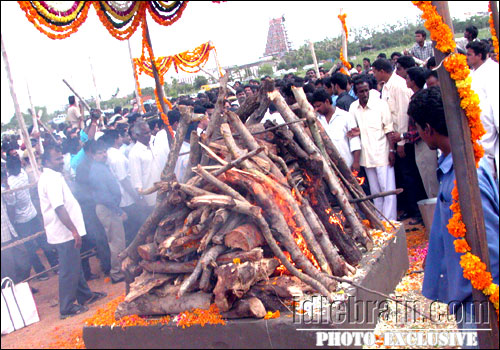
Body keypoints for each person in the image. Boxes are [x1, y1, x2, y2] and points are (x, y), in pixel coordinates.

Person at [408, 86, 499, 339]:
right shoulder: (455, 167)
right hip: (466, 291)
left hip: (477, 297)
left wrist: (489, 297)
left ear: (428, 129)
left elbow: (490, 245)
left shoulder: (468, 177)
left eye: (417, 127)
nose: (417, 133)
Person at [38, 144, 106, 319]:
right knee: (68, 269)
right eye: (57, 159)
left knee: (75, 266)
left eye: (61, 158)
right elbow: (59, 207)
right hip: (64, 232)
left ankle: (85, 295)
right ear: (46, 161)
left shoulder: (53, 176)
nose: (61, 161)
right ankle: (66, 307)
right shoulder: (51, 179)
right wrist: (73, 231)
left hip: (65, 231)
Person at [372, 58, 425, 222]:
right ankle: (410, 209)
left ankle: (418, 211)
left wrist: (401, 142)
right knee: (403, 176)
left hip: (405, 139)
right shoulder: (386, 87)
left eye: (374, 71)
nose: (373, 75)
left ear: (381, 71)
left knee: (411, 176)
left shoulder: (398, 85)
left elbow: (402, 115)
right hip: (395, 138)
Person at [349, 75, 397, 220]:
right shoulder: (353, 108)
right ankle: (381, 221)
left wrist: (391, 150)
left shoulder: (380, 105)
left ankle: (391, 221)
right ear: (356, 93)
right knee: (376, 192)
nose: (364, 94)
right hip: (366, 157)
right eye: (361, 92)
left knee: (387, 191)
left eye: (366, 90)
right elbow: (353, 132)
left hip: (382, 153)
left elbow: (389, 129)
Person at [5, 154, 58, 279]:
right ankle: (55, 265)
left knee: (30, 248)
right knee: (43, 241)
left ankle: (42, 273)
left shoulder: (10, 184)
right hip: (32, 213)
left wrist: (12, 222)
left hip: (21, 220)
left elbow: (11, 204)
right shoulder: (23, 174)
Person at [89, 139, 126, 284]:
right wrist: (118, 210)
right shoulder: (97, 171)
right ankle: (117, 273)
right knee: (116, 242)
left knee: (118, 241)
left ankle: (120, 269)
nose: (104, 155)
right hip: (107, 208)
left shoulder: (102, 167)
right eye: (100, 153)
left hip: (109, 207)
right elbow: (104, 196)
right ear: (93, 155)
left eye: (104, 152)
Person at [74, 141, 111, 280]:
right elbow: (85, 189)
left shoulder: (91, 164)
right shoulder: (84, 167)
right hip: (89, 207)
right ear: (90, 152)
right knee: (99, 236)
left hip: (95, 203)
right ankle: (106, 266)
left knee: (101, 236)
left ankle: (106, 264)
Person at [466, 41, 499, 181]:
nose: (466, 57)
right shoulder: (472, 73)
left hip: (491, 125)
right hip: (480, 127)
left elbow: (495, 101)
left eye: (469, 54)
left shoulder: (492, 71)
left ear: (479, 55)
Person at [104, 130, 142, 246]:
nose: (122, 138)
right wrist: (136, 197)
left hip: (122, 198)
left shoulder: (110, 154)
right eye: (120, 136)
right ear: (116, 139)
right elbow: (124, 180)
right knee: (134, 229)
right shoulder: (116, 157)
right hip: (127, 199)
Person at [312, 88, 361, 170]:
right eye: (315, 107)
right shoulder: (317, 121)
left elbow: (355, 142)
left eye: (319, 106)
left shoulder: (345, 116)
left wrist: (356, 162)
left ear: (327, 102)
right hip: (330, 168)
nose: (317, 109)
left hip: (348, 165)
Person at [129, 120, 162, 215]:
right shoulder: (135, 153)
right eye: (145, 133)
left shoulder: (153, 145)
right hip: (150, 198)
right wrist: (141, 198)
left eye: (149, 132)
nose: (149, 135)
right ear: (137, 135)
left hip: (161, 192)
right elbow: (136, 179)